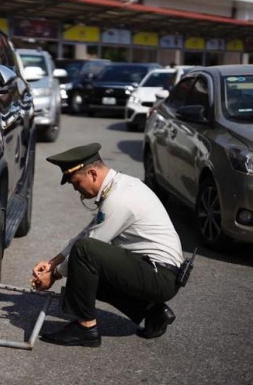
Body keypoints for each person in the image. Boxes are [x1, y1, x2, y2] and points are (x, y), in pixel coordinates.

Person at [32, 143, 184, 347]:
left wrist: (55, 274)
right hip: (156, 271)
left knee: (86, 253)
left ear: (92, 174)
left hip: (160, 276)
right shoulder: (120, 185)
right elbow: (88, 231)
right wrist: (53, 262)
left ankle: (85, 327)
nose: (76, 189)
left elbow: (89, 244)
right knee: (85, 271)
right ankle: (154, 312)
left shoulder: (119, 199)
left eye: (76, 183)